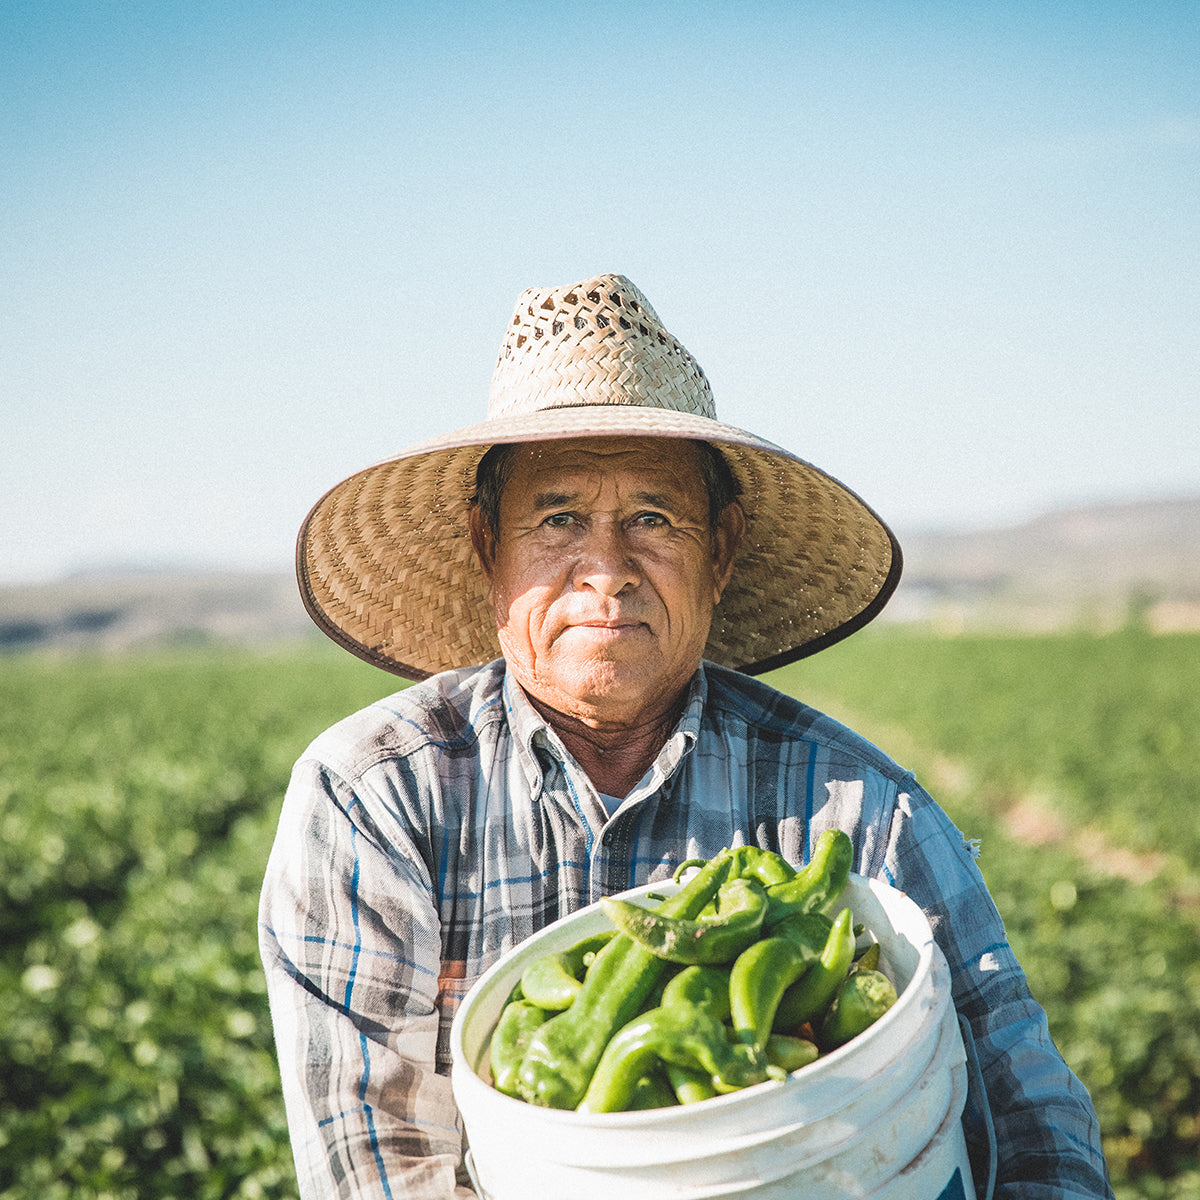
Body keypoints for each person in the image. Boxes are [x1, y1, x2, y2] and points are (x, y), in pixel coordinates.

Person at [259, 274, 1113, 1199]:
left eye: (653, 520)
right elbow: (378, 1166)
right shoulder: (377, 796)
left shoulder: (856, 807)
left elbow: (1023, 1105)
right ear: (484, 547)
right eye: (557, 520)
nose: (608, 572)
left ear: (724, 550)